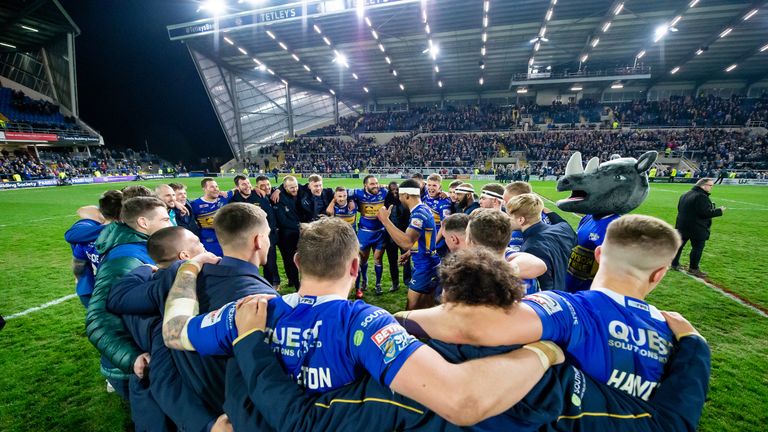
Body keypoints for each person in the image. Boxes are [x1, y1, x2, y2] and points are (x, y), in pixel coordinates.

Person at [198, 247, 709, 432]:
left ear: (445, 296)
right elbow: (667, 422)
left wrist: (249, 347)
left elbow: (302, 420)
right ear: (514, 305)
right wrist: (693, 348)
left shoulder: (388, 382)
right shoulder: (566, 387)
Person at [163, 217, 563, 427]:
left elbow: (175, 332)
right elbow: (460, 401)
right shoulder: (365, 321)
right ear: (356, 266)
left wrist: (189, 269)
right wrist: (543, 351)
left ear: (298, 262)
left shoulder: (249, 312)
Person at [398, 215, 684, 401]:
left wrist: (398, 319)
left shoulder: (567, 309)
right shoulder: (678, 337)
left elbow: (474, 325)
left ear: (598, 254)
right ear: (659, 273)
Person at [108, 226, 209, 432]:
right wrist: (208, 425)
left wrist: (144, 268)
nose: (204, 245)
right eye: (198, 242)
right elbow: (165, 381)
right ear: (184, 256)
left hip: (144, 401)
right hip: (168, 409)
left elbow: (118, 295)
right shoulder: (173, 300)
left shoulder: (144, 287)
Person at [85, 196, 173, 397]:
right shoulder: (125, 257)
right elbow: (97, 316)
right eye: (165, 219)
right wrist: (131, 357)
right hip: (134, 365)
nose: (170, 223)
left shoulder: (141, 246)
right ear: (143, 223)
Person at [377, 179, 441, 310]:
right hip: (428, 264)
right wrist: (410, 252)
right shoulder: (423, 209)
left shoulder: (418, 214)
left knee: (411, 311)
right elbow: (422, 238)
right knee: (426, 308)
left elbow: (406, 242)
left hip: (425, 268)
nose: (399, 199)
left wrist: (385, 221)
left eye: (400, 196)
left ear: (406, 196)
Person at [463, 209, 547, 295]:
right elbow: (540, 265)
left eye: (466, 234)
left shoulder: (465, 282)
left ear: (470, 242)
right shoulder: (525, 273)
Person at [506, 193, 576, 291]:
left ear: (521, 220)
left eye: (509, 216)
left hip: (553, 298)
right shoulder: (564, 228)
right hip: (571, 291)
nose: (506, 219)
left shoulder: (530, 247)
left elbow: (545, 286)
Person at [64, 190, 122, 308]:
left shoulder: (85, 234)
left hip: (88, 289)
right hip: (113, 291)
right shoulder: (126, 234)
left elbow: (77, 261)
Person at [230, 175, 281, 289]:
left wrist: (268, 233)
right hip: (246, 238)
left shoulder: (258, 195)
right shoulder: (234, 199)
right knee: (250, 263)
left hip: (265, 235)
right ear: (237, 186)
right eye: (243, 184)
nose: (247, 186)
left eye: (248, 183)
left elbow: (269, 216)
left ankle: (272, 284)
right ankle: (252, 285)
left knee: (269, 261)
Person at [671, 178, 726, 277]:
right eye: (710, 185)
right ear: (703, 185)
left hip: (682, 225)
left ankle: (674, 264)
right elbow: (705, 213)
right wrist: (719, 211)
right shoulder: (701, 197)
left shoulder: (685, 194)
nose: (711, 187)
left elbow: (680, 209)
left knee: (679, 246)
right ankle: (693, 268)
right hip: (696, 227)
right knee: (697, 248)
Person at [348, 175, 388, 296]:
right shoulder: (358, 193)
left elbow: (399, 189)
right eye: (372, 184)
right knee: (362, 260)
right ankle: (363, 282)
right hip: (364, 232)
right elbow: (341, 192)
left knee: (378, 259)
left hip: (380, 232)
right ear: (365, 185)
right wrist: (350, 200)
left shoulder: (384, 192)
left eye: (376, 183)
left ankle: (378, 284)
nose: (375, 185)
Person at [273, 175, 302, 289]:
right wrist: (299, 226)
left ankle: (293, 280)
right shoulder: (279, 198)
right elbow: (282, 220)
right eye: (291, 188)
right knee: (289, 259)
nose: (295, 189)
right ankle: (295, 283)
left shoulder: (300, 190)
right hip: (286, 235)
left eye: (295, 186)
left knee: (299, 258)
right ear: (285, 187)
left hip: (299, 232)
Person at [190, 177, 231, 256]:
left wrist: (257, 188)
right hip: (209, 241)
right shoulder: (195, 204)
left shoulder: (224, 198)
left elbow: (239, 189)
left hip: (227, 239)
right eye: (212, 187)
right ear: (204, 189)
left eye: (216, 186)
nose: (216, 189)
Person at [383, 182, 410, 293]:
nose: (395, 192)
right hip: (390, 237)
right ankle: (395, 283)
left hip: (404, 235)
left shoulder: (405, 202)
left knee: (407, 260)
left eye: (396, 190)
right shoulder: (386, 201)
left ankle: (408, 281)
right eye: (392, 190)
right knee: (392, 260)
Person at [422, 173, 452, 257]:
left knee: (436, 266)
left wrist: (434, 243)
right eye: (429, 185)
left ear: (440, 186)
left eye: (434, 185)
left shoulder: (444, 202)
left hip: (437, 239)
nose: (431, 188)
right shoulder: (425, 194)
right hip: (424, 235)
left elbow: (444, 225)